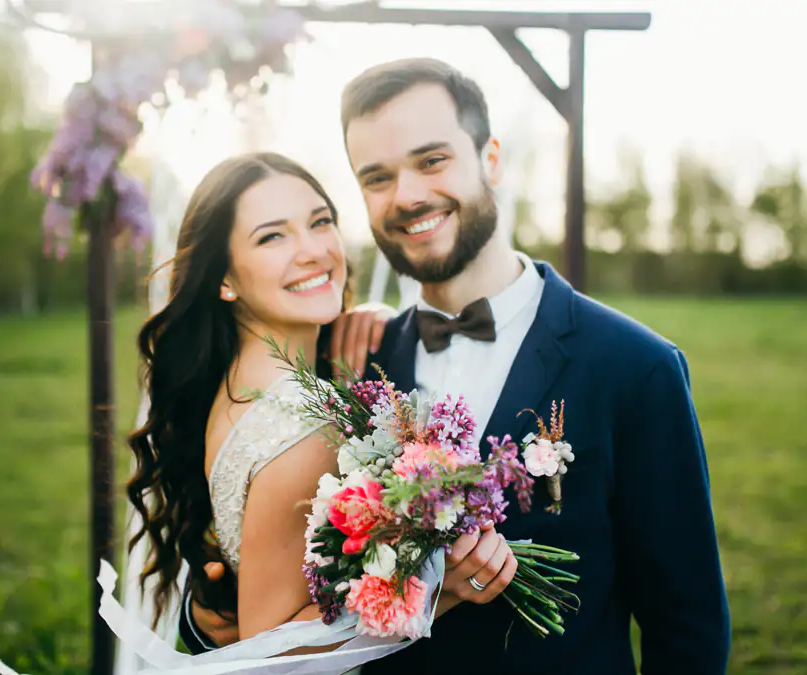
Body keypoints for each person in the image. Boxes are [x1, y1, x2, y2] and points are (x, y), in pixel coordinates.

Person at [183, 59, 732, 674]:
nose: (408, 195)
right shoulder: (351, 362)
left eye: (432, 161)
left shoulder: (636, 369)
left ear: (490, 159)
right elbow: (272, 566)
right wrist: (207, 606)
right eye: (377, 177)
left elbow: (687, 631)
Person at [126, 151, 516, 662]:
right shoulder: (303, 427)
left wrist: (372, 319)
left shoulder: (242, 383)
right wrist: (435, 587)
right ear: (225, 278)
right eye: (272, 236)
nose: (312, 250)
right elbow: (265, 656)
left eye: (320, 222)